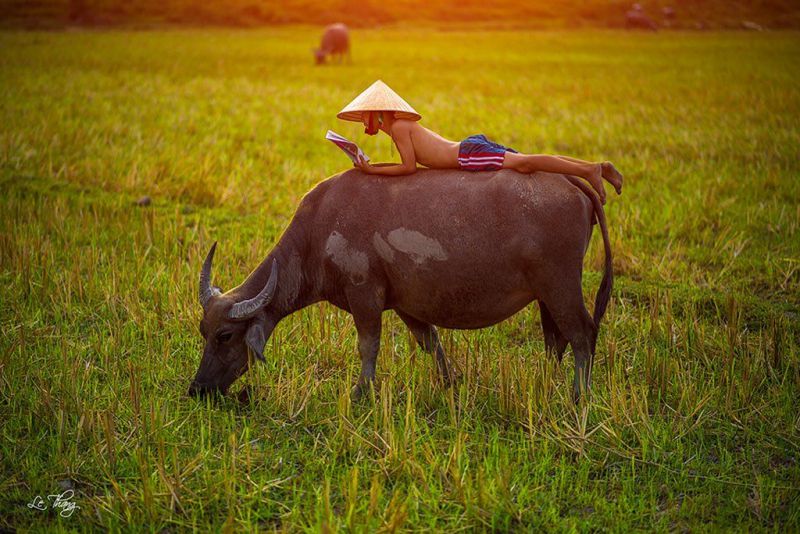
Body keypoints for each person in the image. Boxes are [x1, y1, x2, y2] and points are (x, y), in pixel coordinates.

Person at [337, 80, 623, 204]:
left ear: (377, 113)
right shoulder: (399, 127)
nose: (363, 122)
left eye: (364, 116)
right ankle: (593, 166)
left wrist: (372, 171)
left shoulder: (399, 127)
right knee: (525, 160)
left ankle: (589, 171)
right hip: (469, 147)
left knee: (524, 163)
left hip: (466, 156)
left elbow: (409, 168)